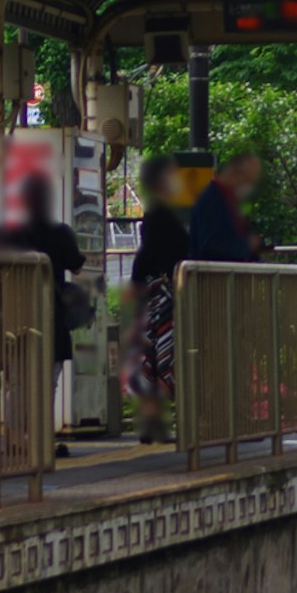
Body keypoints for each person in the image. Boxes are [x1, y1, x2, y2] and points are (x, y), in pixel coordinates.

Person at [0, 137, 94, 426]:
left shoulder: (9, 233)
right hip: (51, 316)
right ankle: (41, 439)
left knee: (16, 382)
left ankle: (13, 440)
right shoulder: (60, 232)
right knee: (49, 382)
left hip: (14, 316)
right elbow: (77, 267)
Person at [125, 156, 195, 427]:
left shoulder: (156, 212)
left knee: (150, 359)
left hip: (152, 293)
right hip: (164, 295)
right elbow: (164, 250)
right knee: (163, 359)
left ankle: (151, 418)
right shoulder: (165, 214)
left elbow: (146, 254)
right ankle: (156, 418)